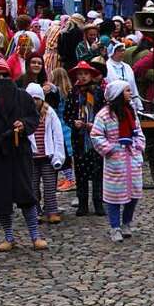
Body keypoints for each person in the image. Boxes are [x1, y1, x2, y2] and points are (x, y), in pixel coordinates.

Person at [0, 59, 48, 251]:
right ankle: (9, 236)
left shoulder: (22, 97)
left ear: (10, 75)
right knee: (1, 197)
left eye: (4, 75)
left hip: (18, 151)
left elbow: (33, 118)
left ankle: (35, 236)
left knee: (26, 194)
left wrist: (23, 124)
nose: (1, 79)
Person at [90, 80, 145, 242]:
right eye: (127, 91)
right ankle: (115, 227)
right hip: (116, 159)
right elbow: (96, 135)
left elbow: (139, 131)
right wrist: (110, 148)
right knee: (114, 195)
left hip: (132, 156)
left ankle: (126, 222)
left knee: (134, 193)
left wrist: (139, 145)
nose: (130, 93)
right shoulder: (104, 115)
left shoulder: (131, 111)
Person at [64, 60, 106, 216]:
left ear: (91, 75)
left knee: (97, 171)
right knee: (80, 172)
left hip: (95, 138)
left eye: (85, 74)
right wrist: (73, 122)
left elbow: (104, 113)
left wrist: (95, 124)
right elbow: (67, 115)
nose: (82, 77)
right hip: (79, 138)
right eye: (80, 74)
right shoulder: (73, 93)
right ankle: (82, 203)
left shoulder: (98, 93)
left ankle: (98, 202)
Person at [24, 83, 66, 225]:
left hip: (47, 156)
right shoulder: (23, 114)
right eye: (31, 98)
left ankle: (51, 210)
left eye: (37, 98)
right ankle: (34, 212)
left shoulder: (50, 113)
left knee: (49, 185)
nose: (34, 101)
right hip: (32, 157)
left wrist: (58, 155)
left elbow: (58, 134)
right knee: (33, 186)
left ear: (42, 99)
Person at [105, 41, 143, 111]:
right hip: (114, 103)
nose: (122, 53)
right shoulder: (106, 67)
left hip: (128, 102)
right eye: (119, 51)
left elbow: (133, 86)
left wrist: (138, 104)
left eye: (123, 50)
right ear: (112, 52)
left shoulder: (127, 67)